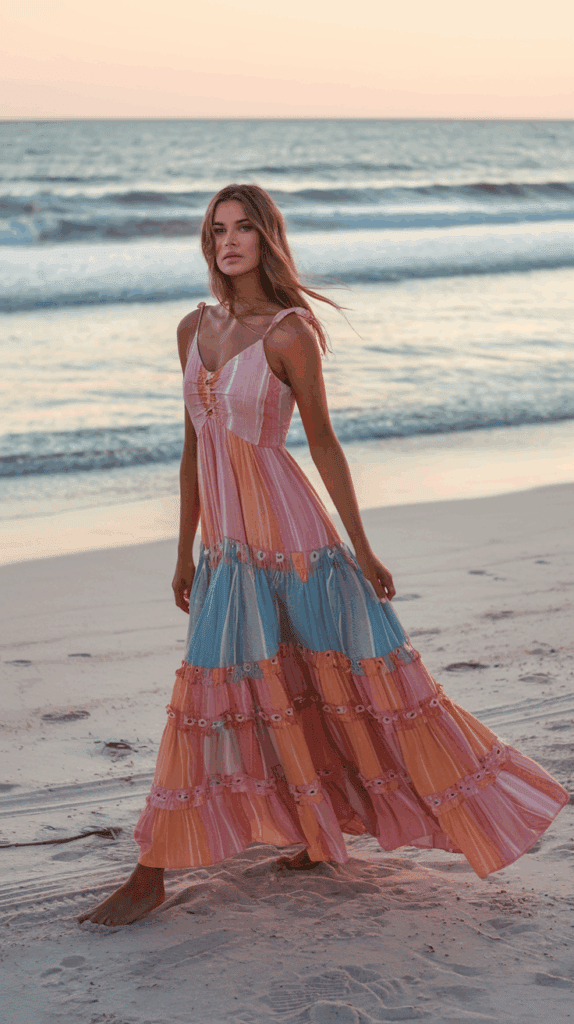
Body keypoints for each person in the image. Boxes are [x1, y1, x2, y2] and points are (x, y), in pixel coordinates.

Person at [79, 184, 568, 927]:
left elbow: (325, 444)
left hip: (294, 541)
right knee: (249, 691)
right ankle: (313, 833)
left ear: (268, 238)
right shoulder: (193, 328)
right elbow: (191, 449)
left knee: (339, 690)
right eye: (217, 230)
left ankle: (151, 873)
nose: (229, 241)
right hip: (228, 552)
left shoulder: (289, 333)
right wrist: (185, 553)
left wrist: (363, 550)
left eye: (244, 228)